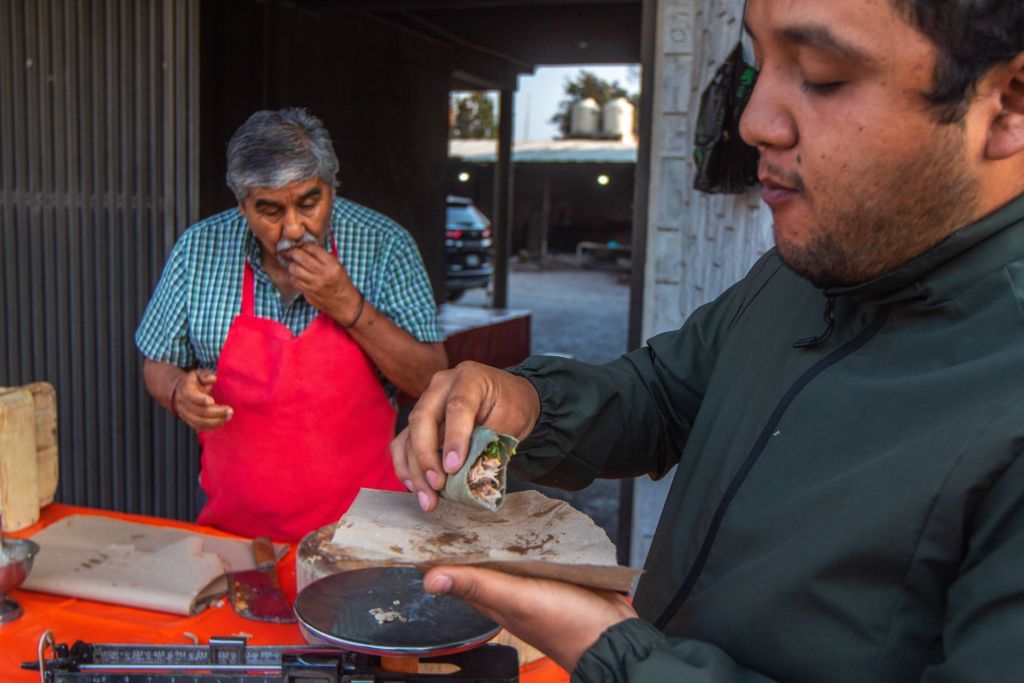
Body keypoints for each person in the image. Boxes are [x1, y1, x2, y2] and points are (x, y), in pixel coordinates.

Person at [392, 0, 1024, 680]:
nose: (752, 122)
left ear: (1007, 104)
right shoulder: (809, 266)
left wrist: (619, 654)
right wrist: (524, 405)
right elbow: (662, 396)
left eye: (821, 74)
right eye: (755, 64)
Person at [137, 108, 447, 541]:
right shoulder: (199, 249)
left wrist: (349, 305)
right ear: (241, 203)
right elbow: (158, 362)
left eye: (308, 203)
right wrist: (177, 391)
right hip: (237, 533)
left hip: (366, 532)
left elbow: (429, 376)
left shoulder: (384, 246)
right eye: (269, 210)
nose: (293, 228)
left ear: (332, 187)